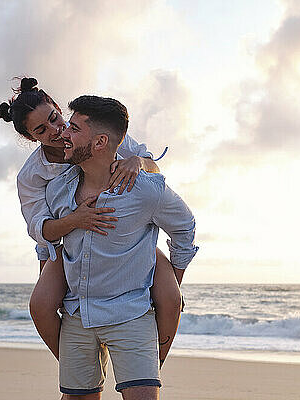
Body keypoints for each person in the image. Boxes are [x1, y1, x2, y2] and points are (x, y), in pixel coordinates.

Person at [0, 78, 183, 366]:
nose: (56, 130)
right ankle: (83, 369)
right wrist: (75, 219)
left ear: (58, 108)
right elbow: (41, 231)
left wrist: (137, 161)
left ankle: (150, 366)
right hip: (65, 242)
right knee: (42, 305)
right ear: (32, 138)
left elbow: (152, 168)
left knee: (172, 298)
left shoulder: (92, 130)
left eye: (54, 118)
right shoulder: (32, 175)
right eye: (41, 130)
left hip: (122, 237)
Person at [48, 95, 198, 399]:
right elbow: (47, 242)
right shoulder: (58, 189)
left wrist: (172, 279)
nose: (64, 133)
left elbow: (185, 229)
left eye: (74, 129)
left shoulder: (146, 190)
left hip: (131, 314)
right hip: (77, 316)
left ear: (100, 141)